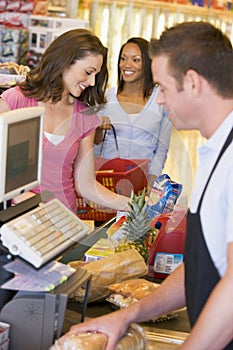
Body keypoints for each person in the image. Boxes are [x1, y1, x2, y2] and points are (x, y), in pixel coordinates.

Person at [65, 21, 233, 350]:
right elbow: (202, 266)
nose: (158, 101)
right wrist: (128, 315)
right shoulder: (214, 151)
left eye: (163, 88)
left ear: (194, 83)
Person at [0, 28, 130, 214]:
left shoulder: (85, 117)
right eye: (88, 72)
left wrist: (132, 206)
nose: (92, 82)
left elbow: (86, 185)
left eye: (96, 75)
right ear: (65, 62)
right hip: (18, 221)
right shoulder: (16, 101)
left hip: (64, 221)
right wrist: (18, 196)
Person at [94, 37, 172, 190]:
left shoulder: (161, 100)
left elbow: (161, 149)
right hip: (108, 181)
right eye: (123, 59)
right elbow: (96, 146)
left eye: (135, 60)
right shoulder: (107, 98)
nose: (127, 65)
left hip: (141, 183)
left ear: (148, 64)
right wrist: (98, 129)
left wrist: (151, 182)